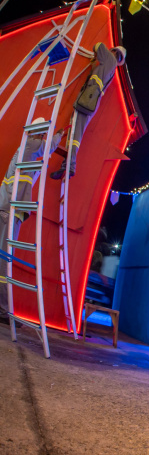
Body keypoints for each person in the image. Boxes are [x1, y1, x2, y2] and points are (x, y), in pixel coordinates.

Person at [0, 129, 64, 316]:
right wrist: (59, 135)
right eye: (42, 134)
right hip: (9, 212)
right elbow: (48, 146)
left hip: (9, 211)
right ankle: (3, 311)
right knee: (4, 262)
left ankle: (2, 309)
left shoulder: (26, 156)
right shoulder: (29, 146)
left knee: (3, 260)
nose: (42, 138)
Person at [51, 42, 126, 180]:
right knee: (75, 133)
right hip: (91, 100)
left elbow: (97, 45)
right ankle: (67, 165)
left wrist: (97, 53)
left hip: (87, 98)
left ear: (114, 52)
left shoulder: (110, 58)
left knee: (75, 133)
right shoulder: (111, 69)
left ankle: (70, 165)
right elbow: (95, 76)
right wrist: (94, 64)